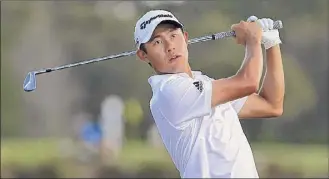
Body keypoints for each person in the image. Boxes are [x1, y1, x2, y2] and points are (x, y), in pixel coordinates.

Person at [134, 9, 285, 178]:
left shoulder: (205, 85)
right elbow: (248, 82)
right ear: (143, 55)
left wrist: (272, 43)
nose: (170, 47)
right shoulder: (168, 91)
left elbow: (272, 105)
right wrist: (252, 40)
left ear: (185, 38)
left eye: (173, 36)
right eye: (157, 42)